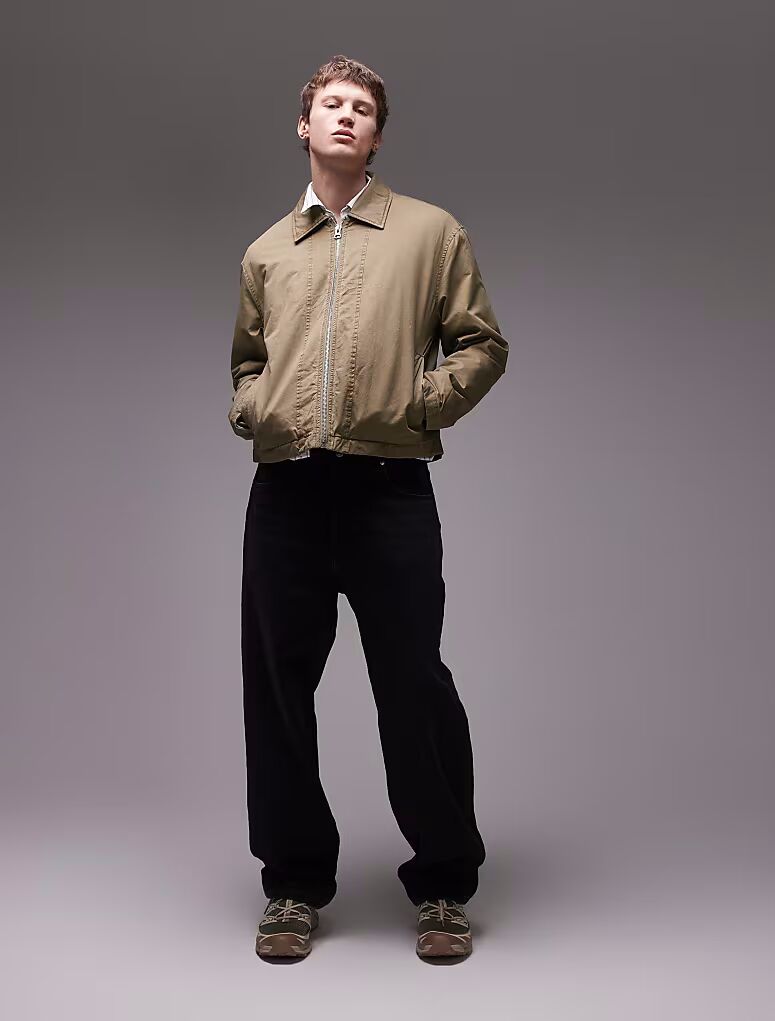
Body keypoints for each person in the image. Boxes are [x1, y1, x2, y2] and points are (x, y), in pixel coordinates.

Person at [227, 55, 509, 962]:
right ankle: (293, 883)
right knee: (277, 690)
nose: (345, 116)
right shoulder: (268, 251)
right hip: (286, 494)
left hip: (389, 491)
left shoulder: (430, 232)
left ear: (377, 134)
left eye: (361, 108)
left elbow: (481, 344)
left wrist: (419, 406)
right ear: (304, 126)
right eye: (330, 105)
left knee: (413, 684)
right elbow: (247, 364)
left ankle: (443, 884)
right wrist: (257, 412)